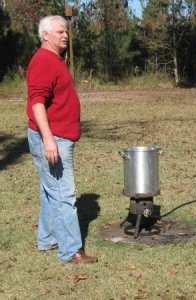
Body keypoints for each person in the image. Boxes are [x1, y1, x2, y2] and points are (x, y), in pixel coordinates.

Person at [26, 15, 97, 264]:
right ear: (45, 35)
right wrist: (48, 140)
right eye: (59, 32)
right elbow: (36, 102)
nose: (65, 35)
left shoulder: (54, 59)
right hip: (52, 138)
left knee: (50, 190)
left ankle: (47, 238)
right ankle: (70, 251)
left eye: (66, 31)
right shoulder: (44, 61)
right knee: (63, 194)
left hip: (57, 136)